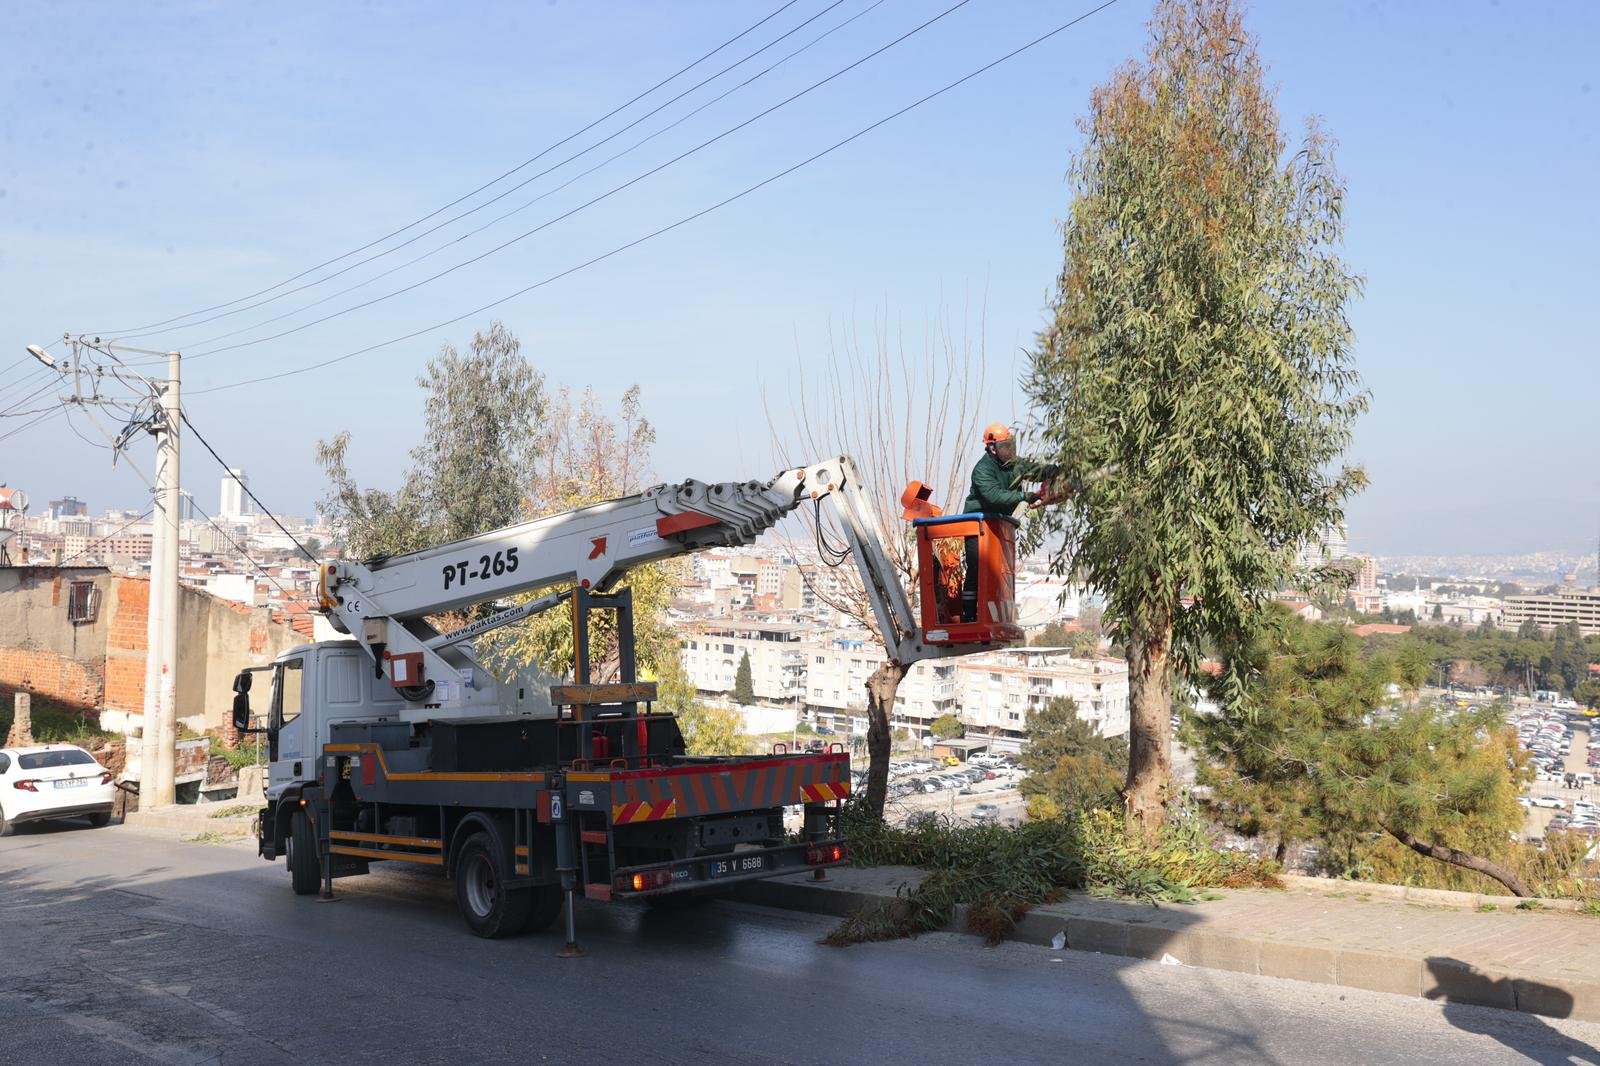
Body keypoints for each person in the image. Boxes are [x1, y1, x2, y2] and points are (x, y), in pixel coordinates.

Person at [958, 423, 1054, 621]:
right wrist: (1024, 495)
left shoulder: (1014, 464)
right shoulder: (982, 470)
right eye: (1004, 447)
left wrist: (1054, 472)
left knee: (999, 571)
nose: (1009, 450)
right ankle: (969, 615)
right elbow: (994, 496)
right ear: (992, 448)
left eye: (1010, 446)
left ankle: (995, 617)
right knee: (977, 568)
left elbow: (1034, 470)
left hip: (999, 525)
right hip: (978, 525)